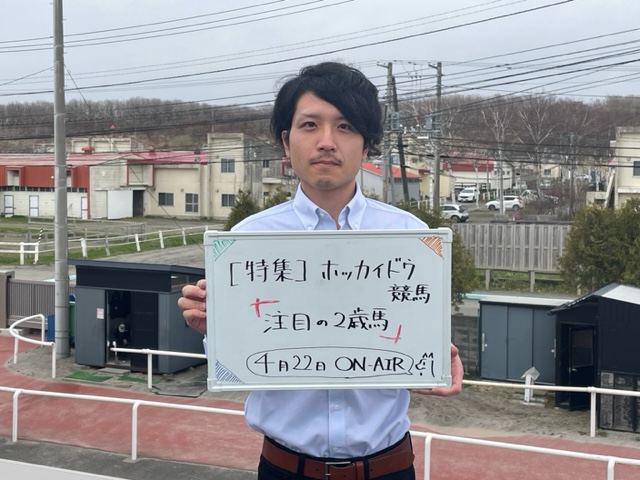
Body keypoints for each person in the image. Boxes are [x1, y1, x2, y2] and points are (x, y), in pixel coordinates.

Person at [178, 61, 463, 480]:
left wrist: (436, 357)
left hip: (388, 468)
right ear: (286, 141)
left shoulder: (413, 238)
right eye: (310, 125)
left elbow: (413, 337)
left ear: (367, 145)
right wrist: (213, 330)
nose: (327, 142)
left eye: (345, 126)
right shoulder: (247, 241)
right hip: (284, 469)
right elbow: (238, 360)